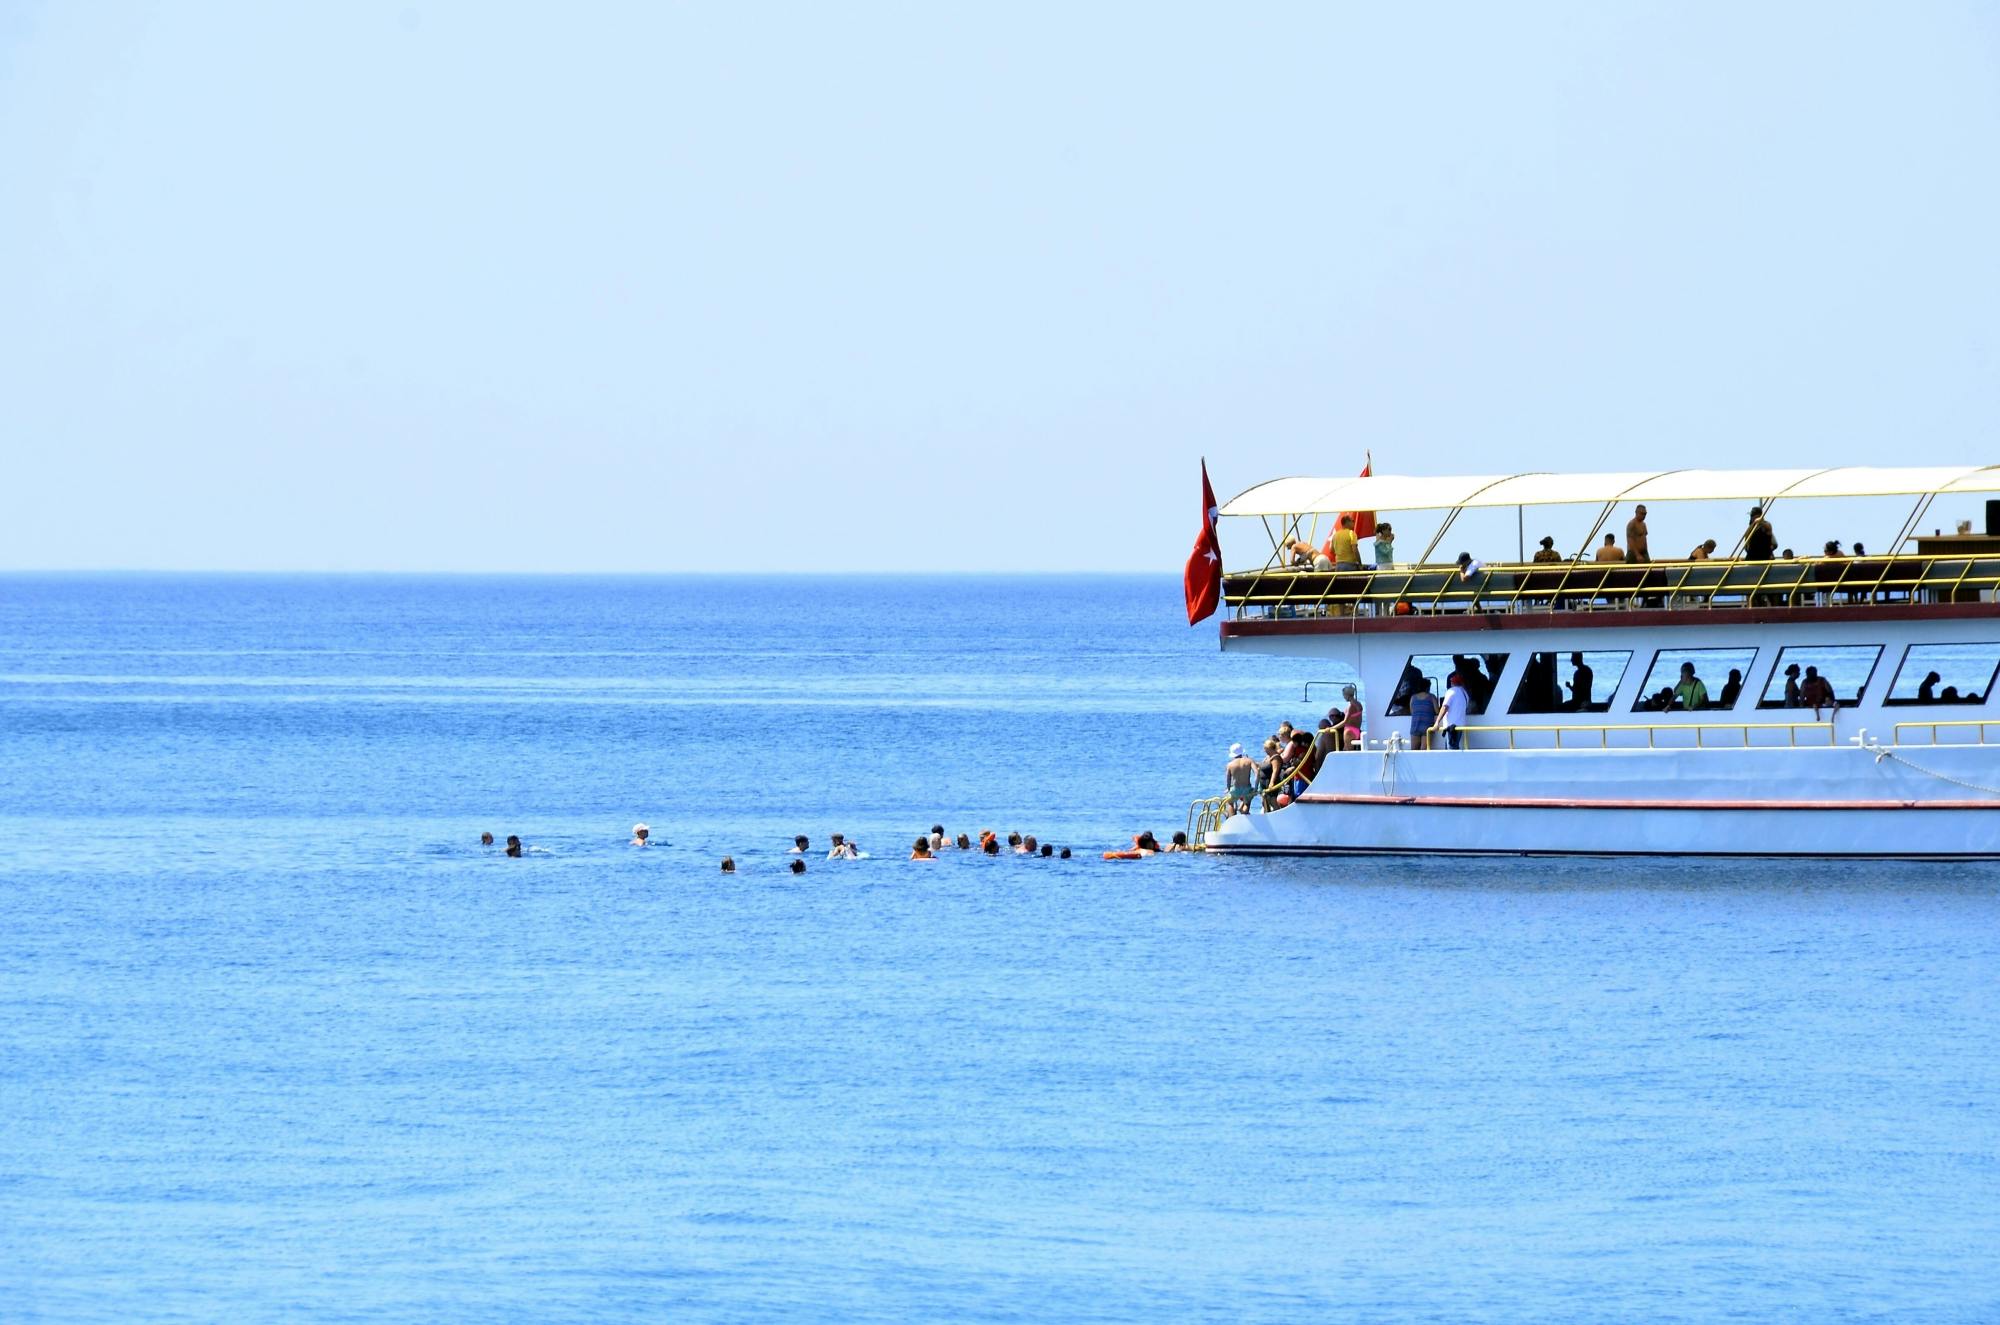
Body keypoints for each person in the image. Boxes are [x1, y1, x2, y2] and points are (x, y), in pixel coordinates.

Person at [1434, 672, 1471, 749]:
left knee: (1451, 750)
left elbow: (1445, 707)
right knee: (1454, 747)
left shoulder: (1451, 691)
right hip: (1460, 725)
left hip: (1451, 727)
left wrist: (1437, 722)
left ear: (1452, 682)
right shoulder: (1465, 693)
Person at [1225, 742, 1258, 813]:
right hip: (1247, 788)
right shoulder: (1249, 761)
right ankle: (1244, 814)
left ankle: (1232, 818)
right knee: (1247, 802)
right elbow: (1257, 773)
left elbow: (1228, 779)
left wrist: (1228, 789)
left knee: (1230, 802)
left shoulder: (1230, 765)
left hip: (1235, 789)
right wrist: (1255, 788)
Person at [1407, 677, 1438, 750]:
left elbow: (1412, 712)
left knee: (1414, 751)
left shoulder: (1413, 698)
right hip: (1427, 727)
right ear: (1427, 687)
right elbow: (1437, 711)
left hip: (1415, 726)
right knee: (1424, 752)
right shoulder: (1431, 697)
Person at [1259, 737, 1284, 811]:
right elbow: (1261, 766)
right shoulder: (1268, 757)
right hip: (1263, 782)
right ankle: (1267, 815)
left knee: (1272, 801)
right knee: (1265, 802)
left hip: (1269, 781)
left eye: (1265, 748)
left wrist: (1272, 782)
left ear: (1270, 748)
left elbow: (1275, 770)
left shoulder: (1276, 758)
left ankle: (1278, 816)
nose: (1264, 750)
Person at [1340, 683, 1365, 749]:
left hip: (1349, 731)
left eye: (1344, 695)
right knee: (1348, 751)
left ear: (1347, 695)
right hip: (1357, 730)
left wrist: (1332, 728)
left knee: (1347, 752)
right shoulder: (1359, 704)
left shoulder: (1351, 707)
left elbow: (1345, 722)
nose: (1344, 697)